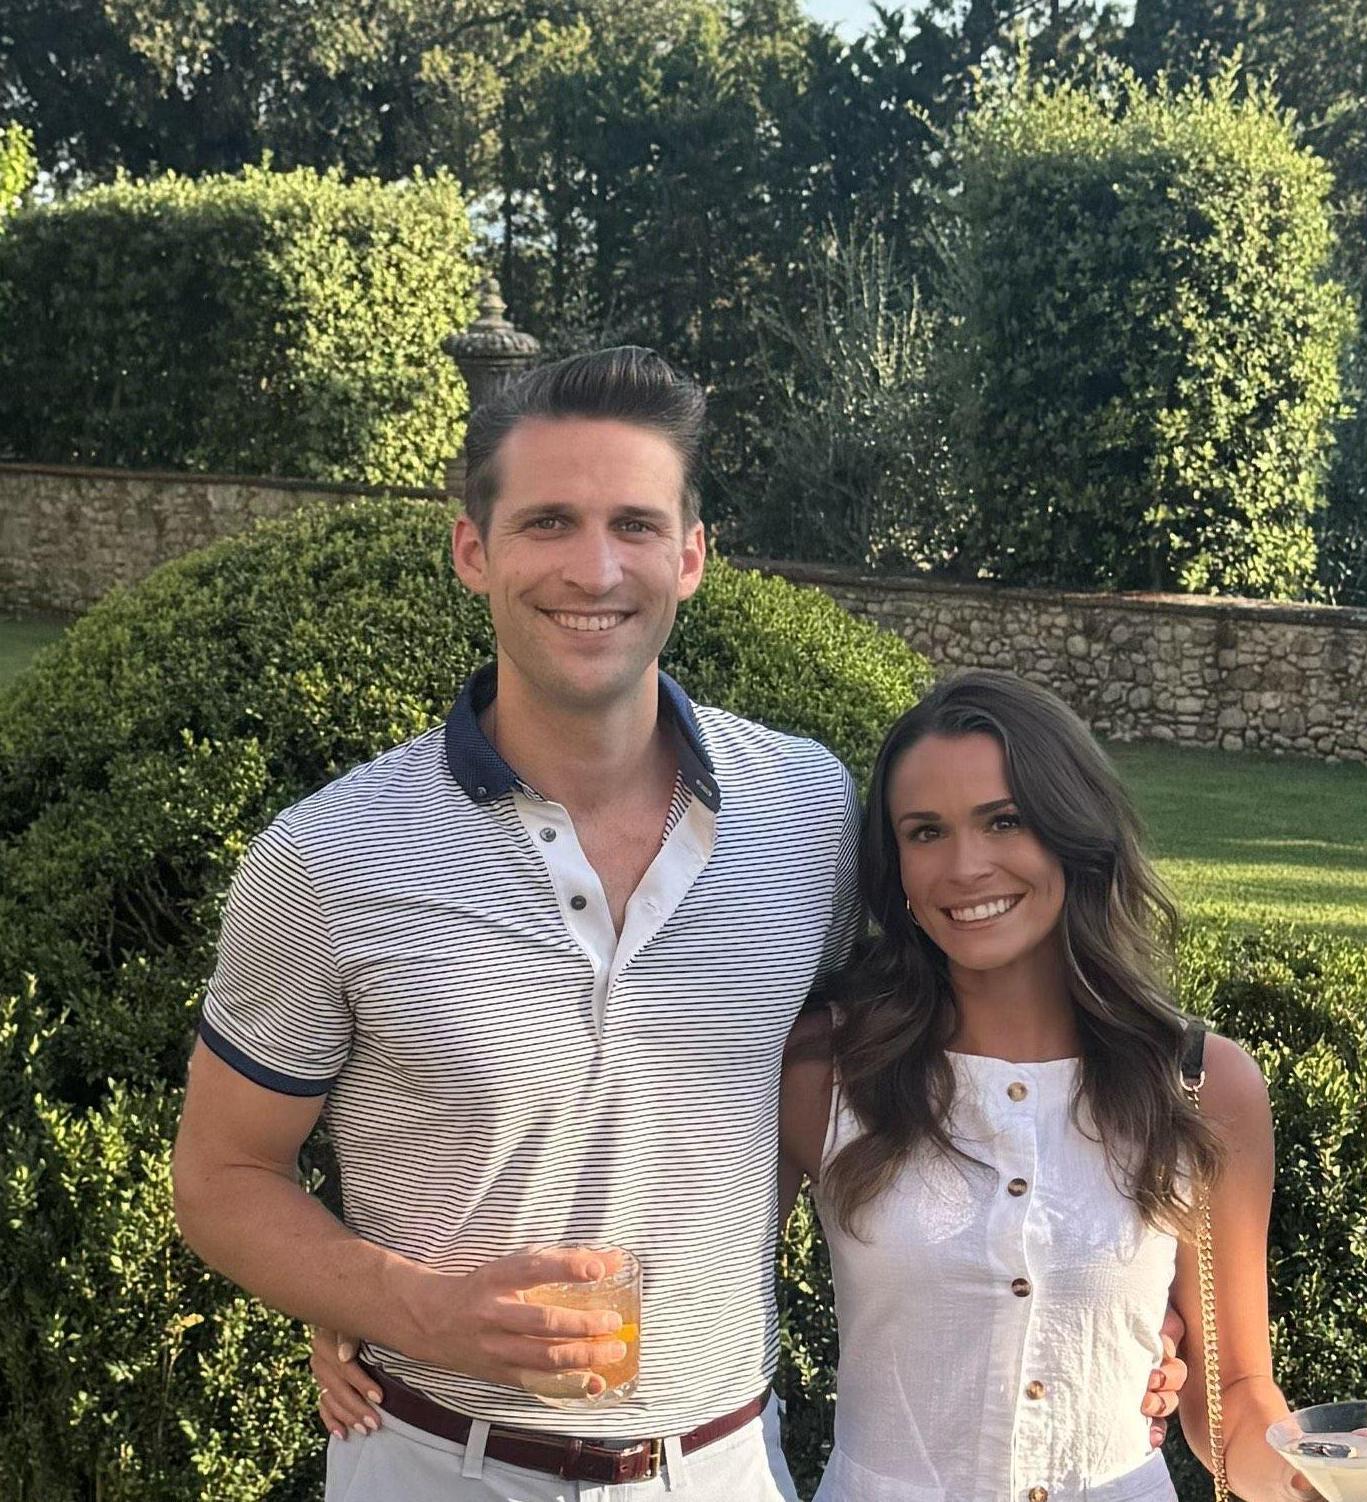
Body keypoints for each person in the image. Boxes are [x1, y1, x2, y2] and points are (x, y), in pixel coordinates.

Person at [174, 348, 1184, 1502]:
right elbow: (221, 1174)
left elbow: (955, 1045)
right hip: (434, 1461)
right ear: (471, 550)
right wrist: (398, 1302)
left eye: (635, 524)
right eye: (547, 521)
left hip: (721, 1465)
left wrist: (1102, 1299)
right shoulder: (327, 857)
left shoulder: (804, 811)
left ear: (691, 555)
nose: (594, 567)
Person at [773, 671, 1367, 1502]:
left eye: (1005, 821)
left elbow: (1231, 1395)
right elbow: (710, 1309)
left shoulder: (1201, 1085)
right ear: (894, 866)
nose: (966, 866)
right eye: (926, 832)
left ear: (1073, 832)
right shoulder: (829, 1069)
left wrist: (1307, 1477)